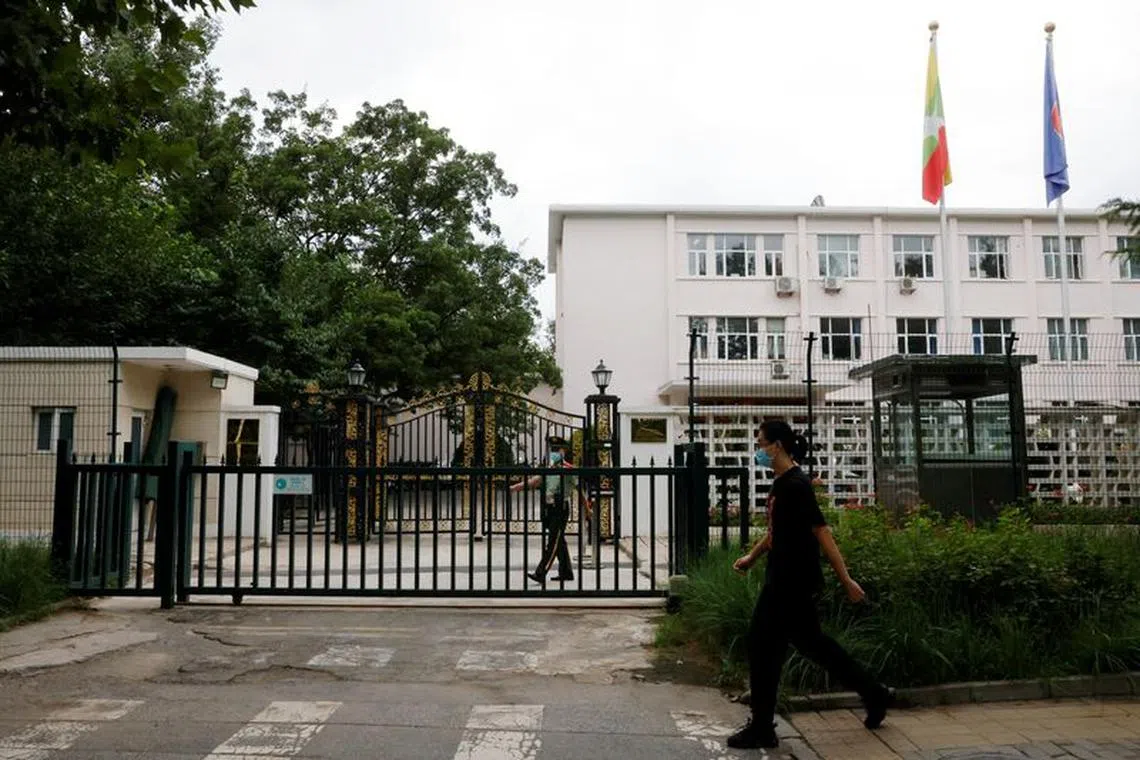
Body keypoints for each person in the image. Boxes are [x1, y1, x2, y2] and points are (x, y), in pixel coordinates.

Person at [727, 420, 892, 751]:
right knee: (813, 645)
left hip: (792, 582)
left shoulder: (796, 486)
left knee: (762, 646)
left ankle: (762, 726)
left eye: (760, 443)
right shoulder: (781, 483)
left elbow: (822, 531)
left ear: (777, 446)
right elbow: (776, 533)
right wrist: (752, 557)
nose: (758, 450)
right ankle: (874, 693)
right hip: (783, 579)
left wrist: (846, 580)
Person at [510, 435, 580, 584]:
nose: (553, 452)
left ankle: (541, 573)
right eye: (552, 449)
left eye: (556, 449)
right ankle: (566, 572)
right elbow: (535, 481)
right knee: (558, 541)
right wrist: (516, 487)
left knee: (553, 542)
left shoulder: (569, 469)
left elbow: (579, 489)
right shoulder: (549, 468)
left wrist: (586, 508)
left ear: (563, 451)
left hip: (561, 508)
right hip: (550, 508)